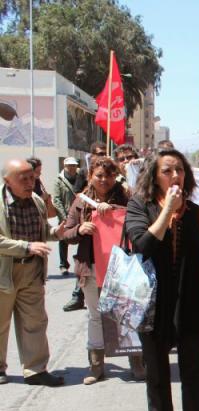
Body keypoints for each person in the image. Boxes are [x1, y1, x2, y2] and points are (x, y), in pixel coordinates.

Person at [124, 148, 199, 411]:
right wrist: (167, 211)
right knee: (158, 375)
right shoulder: (139, 205)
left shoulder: (196, 212)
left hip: (189, 302)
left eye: (180, 170)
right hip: (152, 304)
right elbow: (144, 244)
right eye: (168, 171)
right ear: (154, 176)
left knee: (192, 374)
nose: (176, 176)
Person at [60, 156, 129, 385]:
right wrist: (81, 228)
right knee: (95, 316)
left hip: (121, 268)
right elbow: (66, 233)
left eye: (108, 175)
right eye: (99, 175)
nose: (103, 180)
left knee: (126, 313)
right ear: (90, 176)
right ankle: (97, 366)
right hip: (90, 267)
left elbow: (138, 222)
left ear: (115, 177)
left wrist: (115, 210)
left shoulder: (126, 197)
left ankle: (137, 362)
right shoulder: (80, 201)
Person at [0, 159, 63, 386]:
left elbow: (43, 232)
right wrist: (26, 246)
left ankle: (36, 370)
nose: (30, 182)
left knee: (35, 322)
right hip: (4, 272)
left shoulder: (36, 200)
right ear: (7, 181)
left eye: (32, 177)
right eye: (23, 178)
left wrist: (58, 232)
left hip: (32, 271)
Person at [53, 157, 87, 312]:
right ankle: (63, 264)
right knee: (64, 240)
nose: (72, 168)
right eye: (69, 166)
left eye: (74, 166)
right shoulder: (59, 180)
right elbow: (57, 199)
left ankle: (79, 294)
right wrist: (64, 215)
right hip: (67, 216)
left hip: (81, 217)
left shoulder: (81, 177)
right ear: (64, 166)